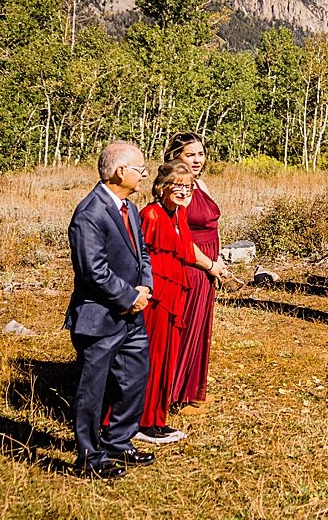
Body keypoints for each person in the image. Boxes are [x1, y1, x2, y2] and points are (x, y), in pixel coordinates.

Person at [64, 141, 155, 478]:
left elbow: (141, 253)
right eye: (140, 169)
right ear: (121, 172)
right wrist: (129, 296)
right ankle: (89, 458)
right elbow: (93, 271)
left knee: (134, 378)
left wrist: (144, 287)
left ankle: (119, 442)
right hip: (100, 316)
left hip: (132, 314)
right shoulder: (89, 213)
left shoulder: (129, 208)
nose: (145, 175)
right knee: (93, 389)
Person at [134, 161, 197, 446]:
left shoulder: (178, 215)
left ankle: (156, 419)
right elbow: (137, 258)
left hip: (174, 295)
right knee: (150, 356)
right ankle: (140, 420)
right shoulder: (151, 215)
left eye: (188, 186)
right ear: (162, 187)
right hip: (155, 298)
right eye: (178, 185)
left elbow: (184, 253)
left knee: (166, 357)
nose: (183, 191)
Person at [166, 132, 224, 415]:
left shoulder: (200, 183)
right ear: (177, 156)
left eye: (200, 153)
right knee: (185, 327)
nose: (197, 159)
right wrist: (209, 265)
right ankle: (176, 393)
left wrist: (220, 261)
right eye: (190, 154)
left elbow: (212, 224)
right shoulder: (177, 187)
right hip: (192, 265)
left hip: (209, 264)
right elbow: (180, 236)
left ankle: (193, 389)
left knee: (201, 327)